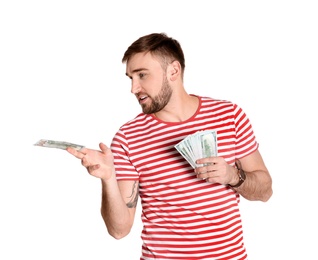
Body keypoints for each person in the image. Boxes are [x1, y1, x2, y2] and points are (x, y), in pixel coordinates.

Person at [66, 32, 273, 260]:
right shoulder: (128, 137)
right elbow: (119, 230)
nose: (134, 88)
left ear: (173, 71)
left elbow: (265, 191)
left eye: (142, 75)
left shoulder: (229, 116)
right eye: (130, 78)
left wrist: (233, 176)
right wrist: (108, 179)